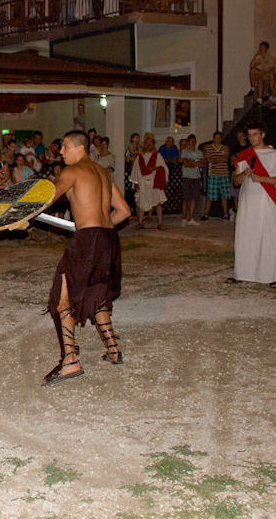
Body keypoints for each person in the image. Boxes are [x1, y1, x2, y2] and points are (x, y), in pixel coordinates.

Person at [39, 131, 130, 386]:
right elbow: (124, 211)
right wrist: (99, 228)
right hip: (109, 239)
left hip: (88, 239)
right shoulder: (103, 173)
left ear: (80, 148)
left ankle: (70, 360)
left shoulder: (72, 171)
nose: (60, 152)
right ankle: (113, 349)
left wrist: (17, 212)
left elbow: (46, 199)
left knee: (62, 295)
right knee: (97, 292)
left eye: (65, 146)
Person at [229, 122, 276, 288]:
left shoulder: (274, 155)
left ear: (263, 134)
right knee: (246, 237)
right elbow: (236, 181)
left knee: (268, 239)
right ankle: (242, 272)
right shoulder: (244, 155)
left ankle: (271, 275)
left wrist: (262, 179)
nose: (251, 138)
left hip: (267, 203)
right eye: (249, 135)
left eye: (255, 134)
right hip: (248, 204)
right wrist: (244, 173)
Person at [130, 133, 168, 230]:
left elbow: (164, 168)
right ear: (144, 144)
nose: (148, 145)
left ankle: (160, 223)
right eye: (147, 143)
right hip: (143, 182)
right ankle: (140, 222)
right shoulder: (140, 156)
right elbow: (136, 170)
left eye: (150, 143)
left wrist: (156, 168)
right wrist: (136, 183)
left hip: (154, 182)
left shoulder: (157, 155)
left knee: (158, 203)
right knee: (141, 203)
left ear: (153, 144)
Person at [201, 131, 232, 220]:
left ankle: (225, 214)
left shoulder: (225, 148)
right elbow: (208, 159)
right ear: (213, 138)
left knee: (224, 195)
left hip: (224, 174)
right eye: (216, 138)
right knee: (210, 195)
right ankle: (206, 214)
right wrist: (219, 158)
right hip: (213, 174)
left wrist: (215, 158)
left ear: (221, 139)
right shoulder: (208, 148)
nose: (218, 139)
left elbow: (225, 159)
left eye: (219, 138)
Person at [179, 135, 204, 226]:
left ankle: (191, 217)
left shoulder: (199, 152)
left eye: (194, 141)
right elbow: (185, 163)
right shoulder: (185, 151)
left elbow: (202, 164)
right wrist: (195, 163)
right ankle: (184, 217)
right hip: (187, 176)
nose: (192, 142)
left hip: (196, 177)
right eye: (190, 141)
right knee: (186, 198)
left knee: (194, 198)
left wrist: (192, 162)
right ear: (188, 142)